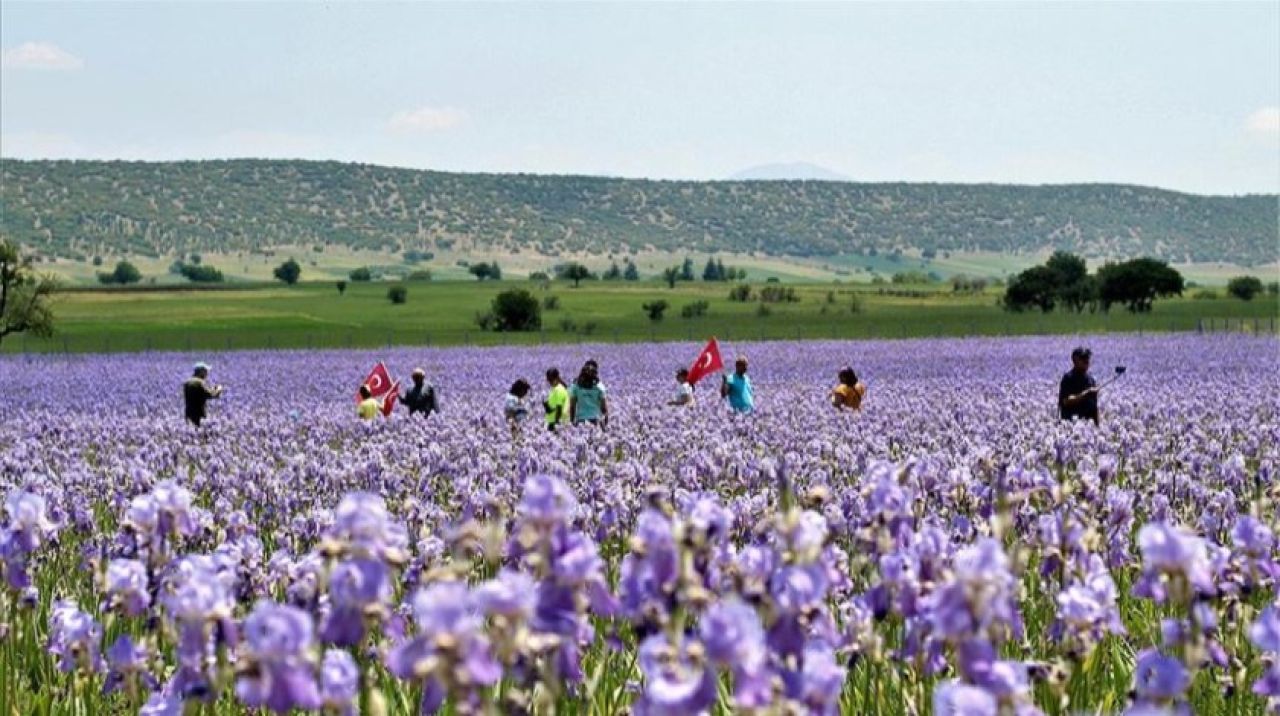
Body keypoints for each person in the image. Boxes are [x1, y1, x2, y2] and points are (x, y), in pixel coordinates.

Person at [1058, 346, 1100, 423]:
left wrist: (1097, 425)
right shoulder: (1068, 378)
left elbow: (1094, 406)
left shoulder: (1091, 379)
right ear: (1075, 360)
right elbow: (1066, 400)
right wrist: (1086, 393)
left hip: (1088, 425)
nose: (1086, 361)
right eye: (1083, 358)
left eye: (1087, 358)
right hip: (1070, 423)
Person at [183, 362, 223, 426]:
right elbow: (211, 395)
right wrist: (218, 389)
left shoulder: (187, 382)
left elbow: (199, 393)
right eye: (206, 371)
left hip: (188, 413)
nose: (207, 373)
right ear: (201, 372)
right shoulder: (200, 382)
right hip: (199, 415)